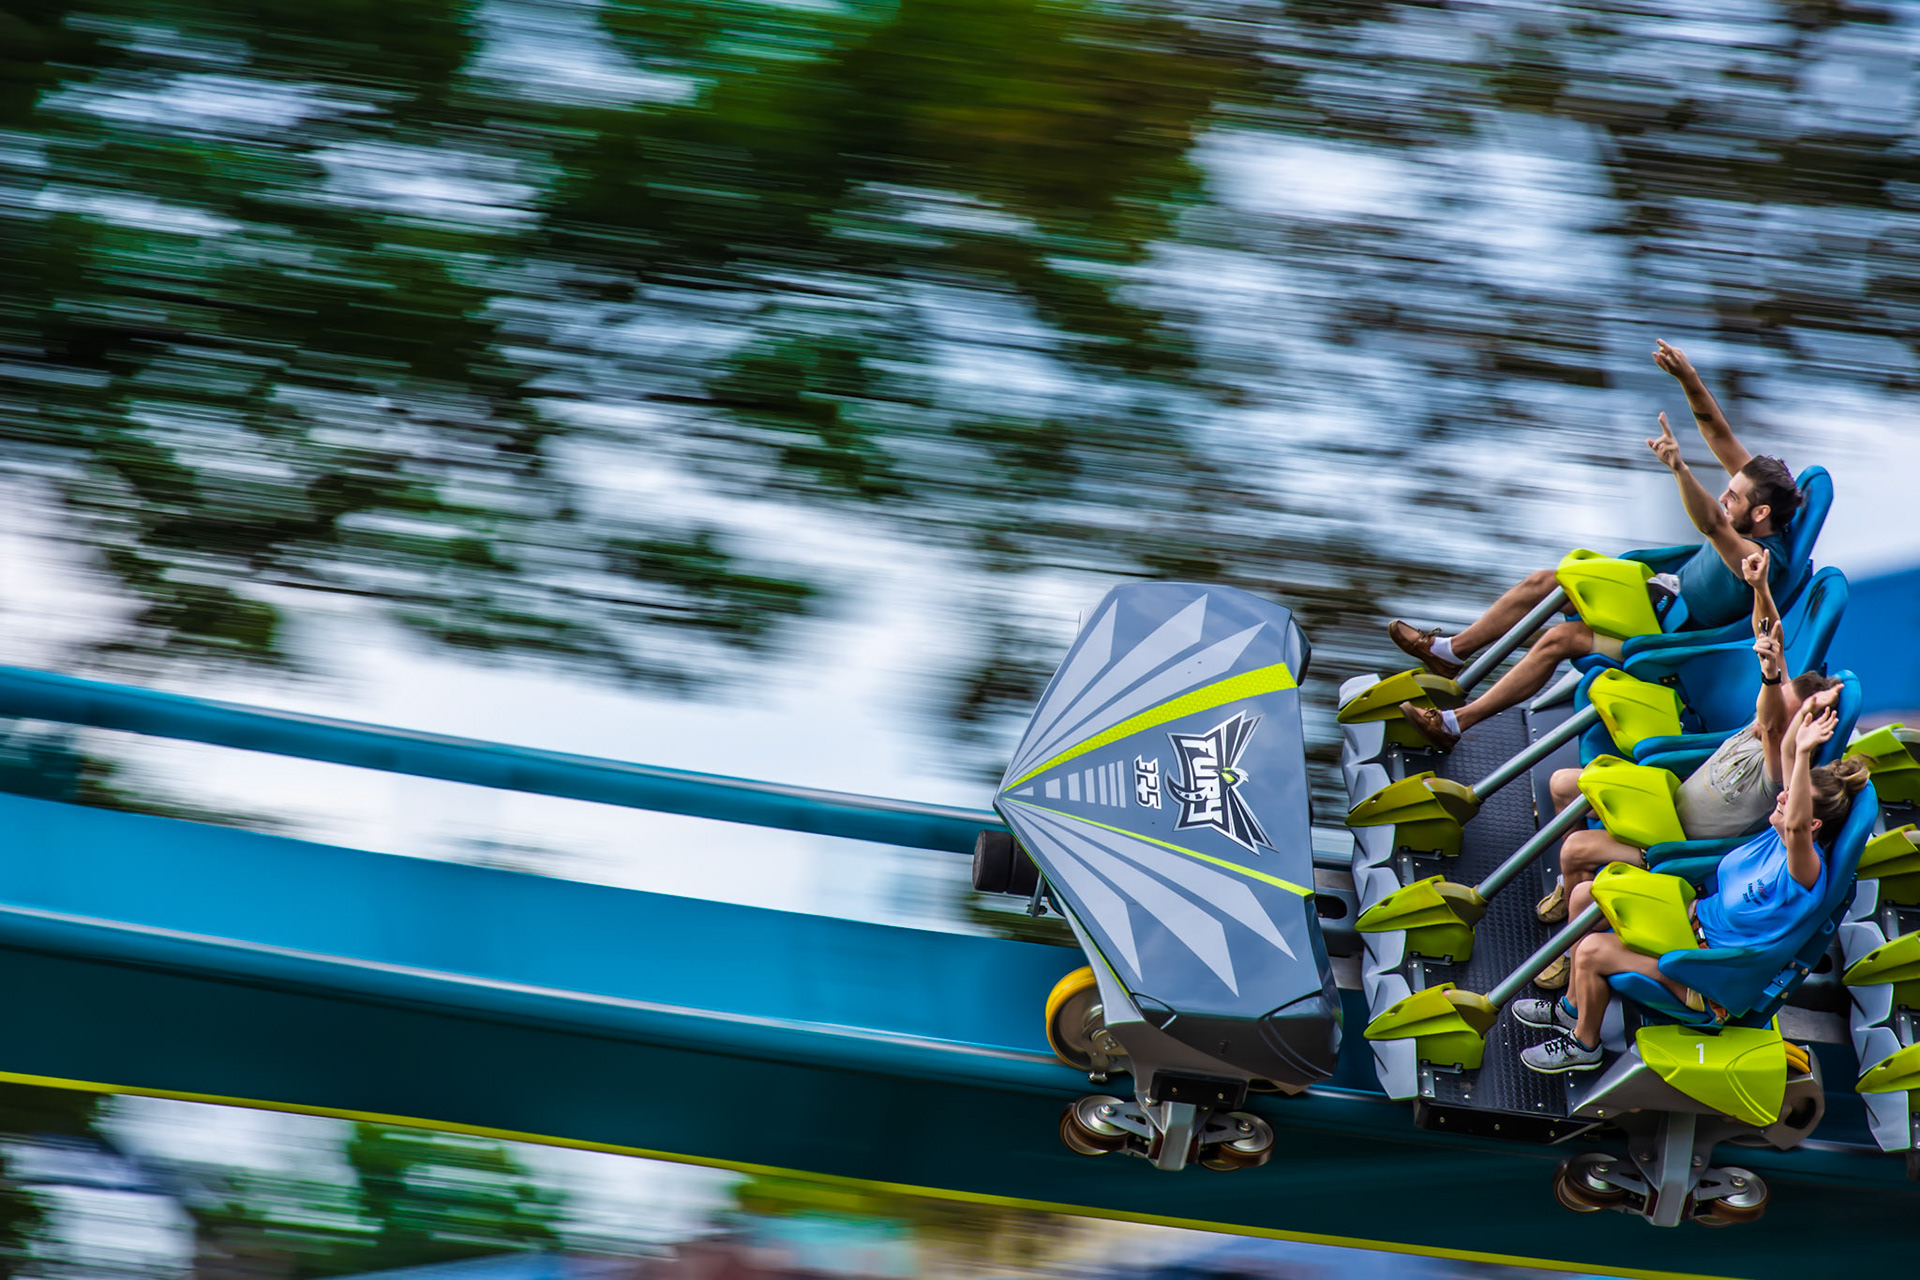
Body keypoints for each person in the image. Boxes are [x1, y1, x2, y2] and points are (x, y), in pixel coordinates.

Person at [1393, 340, 1802, 752]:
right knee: (1546, 583)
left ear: (1762, 513)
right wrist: (1688, 377)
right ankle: (1450, 651)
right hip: (1650, 598)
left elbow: (1712, 525)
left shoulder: (1759, 559)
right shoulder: (1754, 503)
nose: (1724, 497)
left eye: (1733, 496)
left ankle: (1454, 723)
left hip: (1660, 636)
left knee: (1560, 640)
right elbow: (1717, 431)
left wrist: (1679, 468)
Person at [1526, 547, 1841, 988]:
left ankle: (1569, 952)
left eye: (1777, 712)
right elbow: (1771, 637)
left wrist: (1772, 683)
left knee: (1576, 849)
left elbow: (1774, 726)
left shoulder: (1778, 768)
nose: (1761, 713)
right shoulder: (1765, 719)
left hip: (1673, 842)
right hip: (1661, 807)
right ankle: (1570, 895)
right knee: (1563, 785)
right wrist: (1760, 588)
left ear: (1794, 731)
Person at [1512, 698, 1870, 1074]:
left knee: (1591, 952)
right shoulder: (1774, 832)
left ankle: (1585, 1044)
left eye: (1792, 800)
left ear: (1812, 826)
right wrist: (1777, 675)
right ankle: (1571, 1009)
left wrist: (1800, 760)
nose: (1782, 797)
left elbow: (1795, 820)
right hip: (1690, 922)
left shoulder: (1804, 869)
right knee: (1587, 895)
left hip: (1709, 973)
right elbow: (1776, 742)